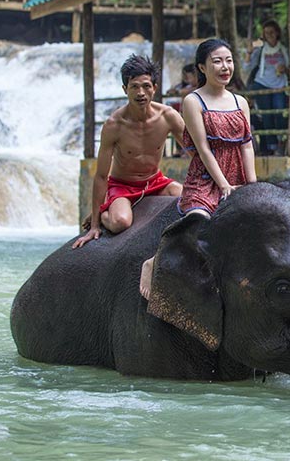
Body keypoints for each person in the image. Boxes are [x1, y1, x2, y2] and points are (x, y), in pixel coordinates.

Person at [140, 38, 257, 299]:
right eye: (217, 61)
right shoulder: (193, 101)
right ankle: (154, 260)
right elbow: (203, 149)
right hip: (205, 178)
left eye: (228, 61)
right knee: (201, 222)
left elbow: (247, 145)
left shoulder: (241, 102)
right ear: (202, 68)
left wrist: (251, 184)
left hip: (237, 174)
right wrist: (224, 184)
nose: (225, 67)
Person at [73, 55, 185, 249]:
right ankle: (105, 212)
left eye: (146, 86)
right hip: (122, 186)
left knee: (188, 199)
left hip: (155, 182)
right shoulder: (114, 125)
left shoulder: (168, 116)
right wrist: (94, 225)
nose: (141, 93)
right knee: (120, 223)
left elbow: (196, 152)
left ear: (155, 88)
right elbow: (101, 176)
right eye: (134, 86)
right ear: (125, 89)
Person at [247, 20, 289, 156]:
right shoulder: (260, 50)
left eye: (272, 32)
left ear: (277, 33)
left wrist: (285, 69)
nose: (269, 35)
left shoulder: (284, 49)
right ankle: (271, 146)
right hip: (262, 83)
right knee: (266, 115)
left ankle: (281, 142)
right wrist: (248, 53)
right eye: (266, 33)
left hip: (280, 85)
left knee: (280, 112)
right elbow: (247, 67)